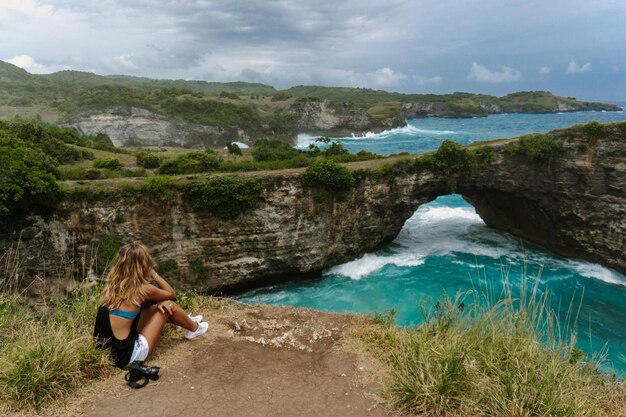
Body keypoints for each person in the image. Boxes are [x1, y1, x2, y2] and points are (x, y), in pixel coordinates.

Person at [93, 242, 208, 369]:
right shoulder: (142, 290)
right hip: (128, 357)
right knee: (168, 305)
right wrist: (154, 274)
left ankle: (185, 320)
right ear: (143, 265)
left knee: (151, 306)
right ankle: (195, 329)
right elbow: (171, 295)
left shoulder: (111, 287)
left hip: (109, 355)